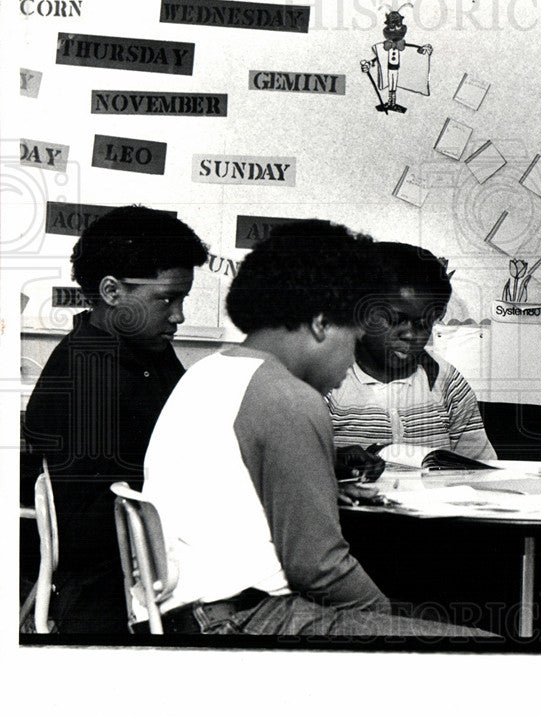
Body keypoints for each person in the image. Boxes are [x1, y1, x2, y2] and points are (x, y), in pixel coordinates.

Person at [139, 220, 491, 638]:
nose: (348, 367)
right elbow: (319, 568)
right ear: (323, 324)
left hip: (181, 613)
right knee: (490, 650)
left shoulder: (207, 372)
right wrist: (388, 622)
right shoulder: (290, 398)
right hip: (245, 620)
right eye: (353, 337)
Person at [21, 205, 208, 633]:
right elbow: (85, 529)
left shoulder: (146, 350)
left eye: (182, 299)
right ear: (111, 292)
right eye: (166, 299)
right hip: (118, 590)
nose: (178, 315)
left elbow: (196, 431)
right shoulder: (86, 372)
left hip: (152, 564)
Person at [326, 240, 496, 462]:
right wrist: (333, 462)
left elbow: (481, 466)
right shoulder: (324, 383)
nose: (410, 334)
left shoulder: (447, 384)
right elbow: (284, 471)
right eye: (395, 320)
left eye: (424, 324)